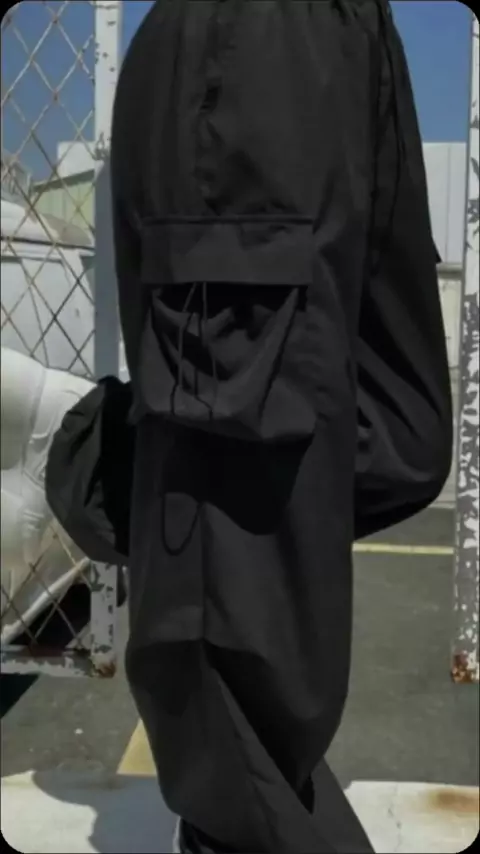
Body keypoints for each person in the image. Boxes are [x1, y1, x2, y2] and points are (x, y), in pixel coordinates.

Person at [109, 1, 452, 851]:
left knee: (408, 436)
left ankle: (116, 470)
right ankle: (237, 813)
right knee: (236, 479)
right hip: (244, 50)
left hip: (346, 31)